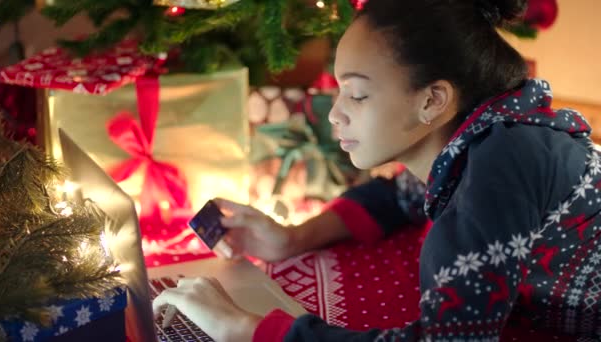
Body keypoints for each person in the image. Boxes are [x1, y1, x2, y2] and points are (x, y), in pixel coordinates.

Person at [152, 0, 601, 340]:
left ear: (431, 100)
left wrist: (243, 327)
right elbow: (399, 195)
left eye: (358, 95)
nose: (334, 115)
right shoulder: (485, 135)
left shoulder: (503, 163)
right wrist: (293, 238)